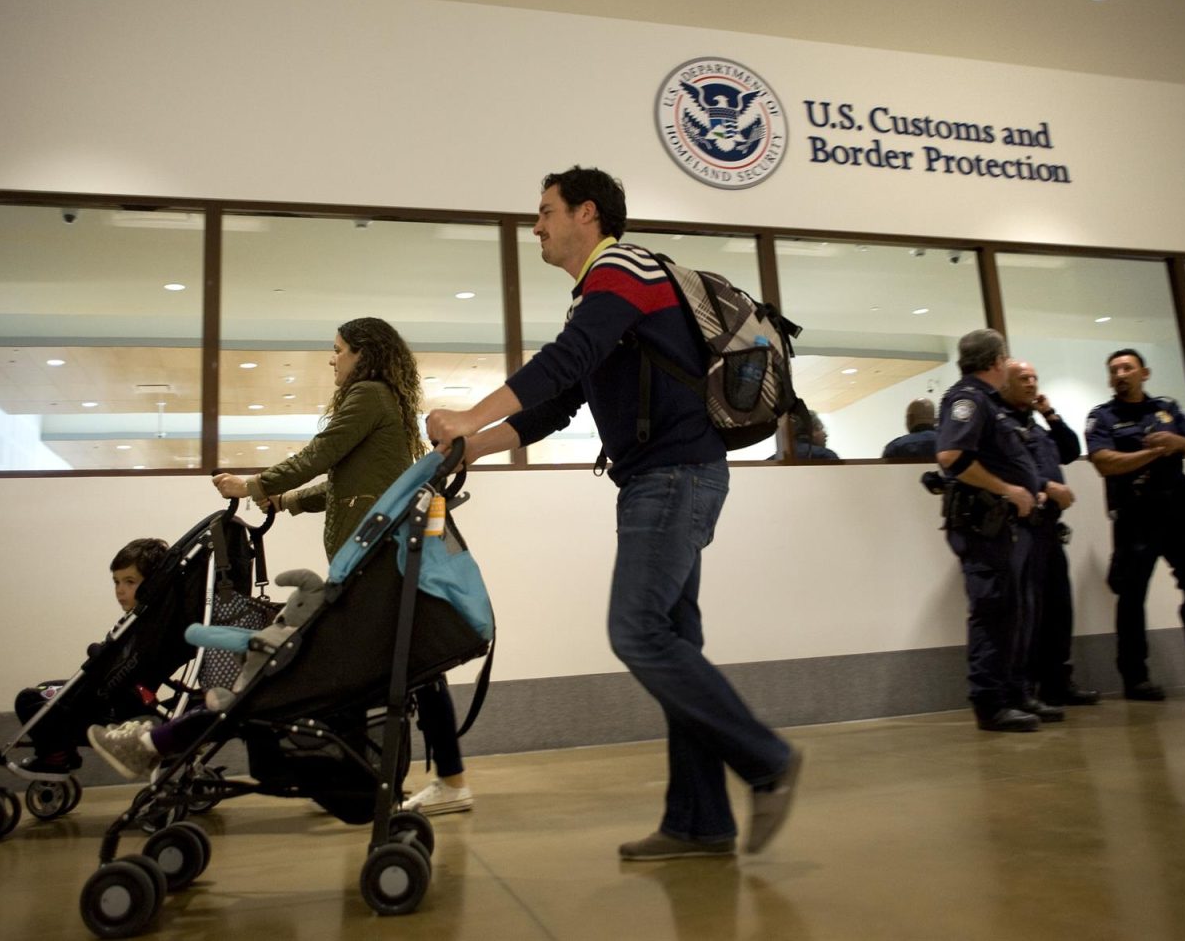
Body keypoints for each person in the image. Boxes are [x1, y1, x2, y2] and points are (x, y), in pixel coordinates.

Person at [424, 166, 801, 861]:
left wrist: (466, 415)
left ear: (586, 213)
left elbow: (569, 360)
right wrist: (472, 448)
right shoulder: (599, 294)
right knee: (672, 643)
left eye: (544, 211)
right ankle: (700, 822)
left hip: (673, 477)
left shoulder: (624, 268)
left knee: (637, 631)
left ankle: (766, 759)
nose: (535, 225)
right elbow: (558, 404)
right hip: (665, 479)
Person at [91, 318, 477, 814]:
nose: (332, 359)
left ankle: (160, 744)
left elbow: (321, 455)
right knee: (412, 673)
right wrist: (286, 501)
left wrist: (252, 485)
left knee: (288, 664)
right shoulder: (390, 406)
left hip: (369, 569)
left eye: (338, 350)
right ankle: (431, 780)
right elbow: (347, 485)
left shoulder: (369, 397)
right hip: (378, 566)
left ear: (364, 354)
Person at [1084, 348, 1185, 700]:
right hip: (1135, 518)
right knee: (1131, 597)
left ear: (1144, 373)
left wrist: (1178, 441)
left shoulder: (1168, 410)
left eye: (1127, 367)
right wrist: (1152, 453)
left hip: (1180, 515)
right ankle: (1135, 678)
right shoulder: (1103, 417)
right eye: (1113, 369)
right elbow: (1104, 462)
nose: (1120, 374)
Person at [935, 330, 1057, 733]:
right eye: (1006, 359)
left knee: (1014, 611)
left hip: (1008, 527)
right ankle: (990, 704)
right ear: (996, 361)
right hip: (983, 525)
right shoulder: (968, 400)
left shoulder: (991, 404)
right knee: (992, 613)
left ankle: (1015, 693)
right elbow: (951, 456)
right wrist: (1008, 489)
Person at [12, 537, 170, 773]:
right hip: (118, 697)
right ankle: (61, 752)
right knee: (46, 689)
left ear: (152, 585)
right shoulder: (148, 624)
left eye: (130, 582)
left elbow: (117, 668)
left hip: (106, 704)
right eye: (116, 581)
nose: (120, 590)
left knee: (29, 699)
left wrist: (100, 654)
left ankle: (54, 757)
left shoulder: (142, 627)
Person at [1000, 360, 1099, 707]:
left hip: (1049, 530)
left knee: (1059, 607)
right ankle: (1024, 688)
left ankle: (1058, 682)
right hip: (1020, 529)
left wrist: (1050, 414)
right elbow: (1004, 470)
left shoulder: (1036, 425)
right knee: (1027, 610)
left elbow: (1070, 450)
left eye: (1034, 378)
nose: (1030, 384)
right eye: (1022, 378)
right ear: (1004, 384)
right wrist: (1045, 486)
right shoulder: (1000, 425)